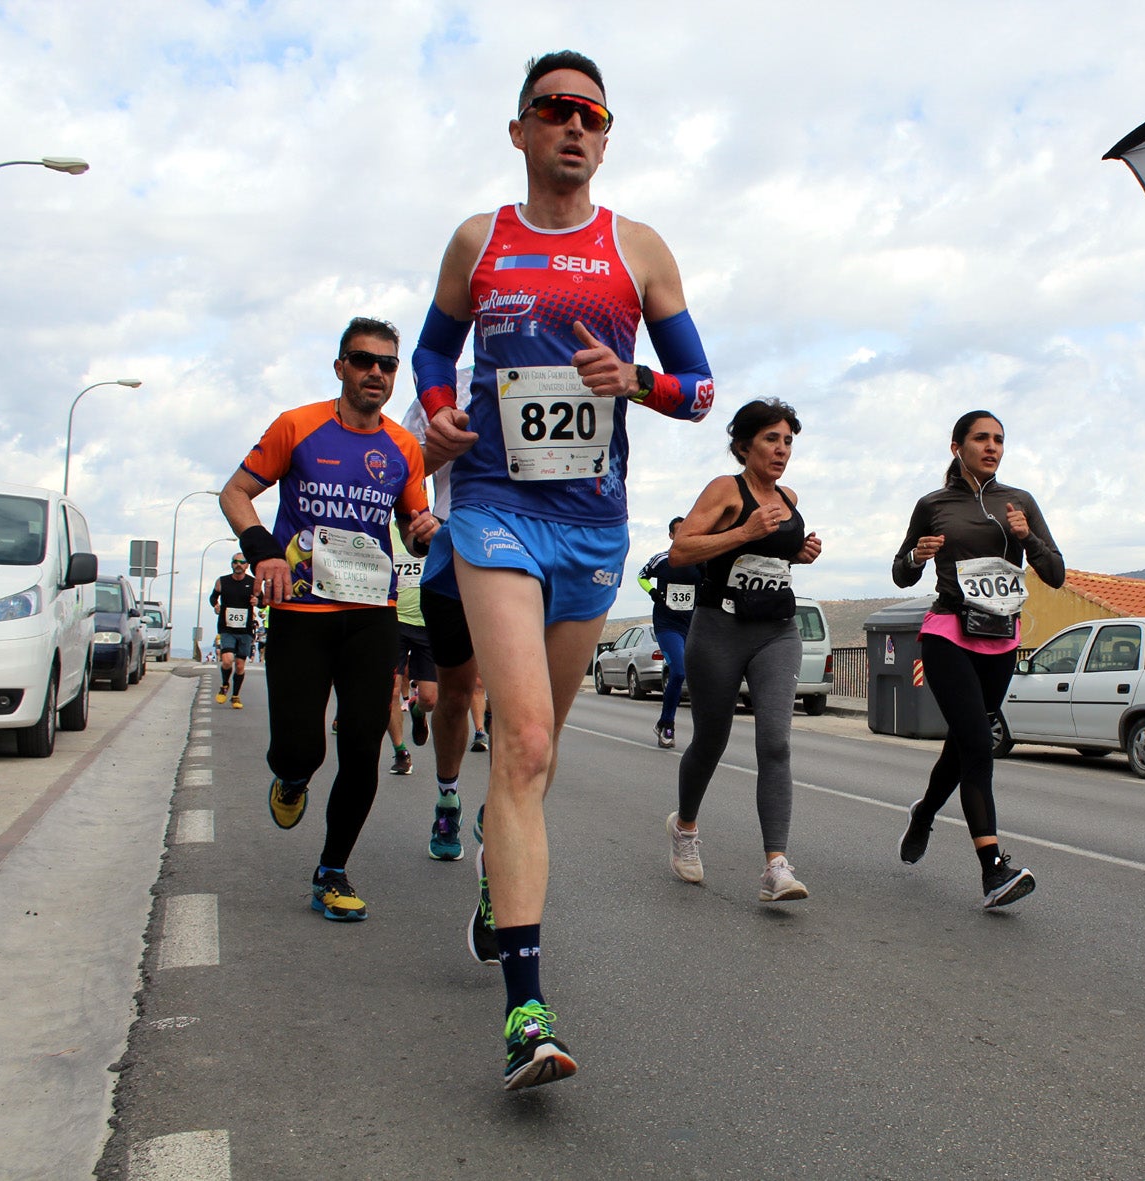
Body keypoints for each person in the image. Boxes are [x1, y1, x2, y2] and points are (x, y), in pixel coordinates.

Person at [410, 49, 714, 1089]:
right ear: (520, 130)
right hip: (494, 511)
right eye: (553, 110)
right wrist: (437, 422)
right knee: (524, 738)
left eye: (591, 113)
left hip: (591, 529)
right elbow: (429, 356)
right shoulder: (477, 240)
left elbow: (701, 388)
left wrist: (636, 379)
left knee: (538, 761)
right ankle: (526, 1010)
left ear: (604, 132)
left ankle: (500, 884)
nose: (574, 126)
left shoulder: (637, 250)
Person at [219, 316, 436, 923]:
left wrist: (422, 533)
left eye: (386, 364)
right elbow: (235, 492)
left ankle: (332, 870)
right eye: (363, 360)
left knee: (363, 747)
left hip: (373, 615)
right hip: (301, 612)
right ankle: (291, 777)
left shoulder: (403, 447)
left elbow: (414, 531)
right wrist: (263, 550)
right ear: (340, 366)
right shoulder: (298, 426)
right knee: (300, 748)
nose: (375, 372)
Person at [890, 411, 1065, 908]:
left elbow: (1055, 573)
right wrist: (918, 557)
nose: (992, 447)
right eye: (981, 439)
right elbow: (902, 574)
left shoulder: (1020, 502)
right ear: (956, 446)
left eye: (999, 440)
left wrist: (1027, 536)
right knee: (978, 745)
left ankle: (924, 814)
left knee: (964, 745)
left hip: (1001, 638)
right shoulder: (933, 504)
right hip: (947, 633)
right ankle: (993, 869)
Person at [666, 399, 821, 903]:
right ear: (744, 445)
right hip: (718, 630)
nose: (782, 450)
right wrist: (744, 531)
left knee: (775, 743)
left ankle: (776, 864)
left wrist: (799, 551)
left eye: (788, 441)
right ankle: (685, 828)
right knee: (711, 741)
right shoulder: (724, 490)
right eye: (772, 440)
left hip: (777, 630)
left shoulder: (789, 496)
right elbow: (681, 550)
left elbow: (773, 554)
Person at [636, 516, 701, 747]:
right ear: (671, 536)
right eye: (679, 532)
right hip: (668, 625)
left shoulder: (700, 561)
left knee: (705, 678)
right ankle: (667, 724)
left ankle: (705, 734)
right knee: (679, 672)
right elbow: (641, 577)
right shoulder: (662, 560)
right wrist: (653, 592)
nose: (685, 535)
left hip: (693, 626)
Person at [387, 516, 437, 779]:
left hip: (427, 623)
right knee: (390, 689)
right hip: (394, 620)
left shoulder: (432, 527)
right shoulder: (385, 529)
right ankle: (401, 751)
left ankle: (418, 710)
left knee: (430, 698)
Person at [209, 554, 261, 707]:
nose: (238, 565)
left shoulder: (253, 583)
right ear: (231, 564)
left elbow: (263, 602)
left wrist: (257, 602)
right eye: (235, 562)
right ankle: (225, 685)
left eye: (242, 562)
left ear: (247, 565)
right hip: (227, 628)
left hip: (245, 630)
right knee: (227, 660)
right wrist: (216, 605)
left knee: (239, 665)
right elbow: (213, 597)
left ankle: (236, 695)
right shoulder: (222, 581)